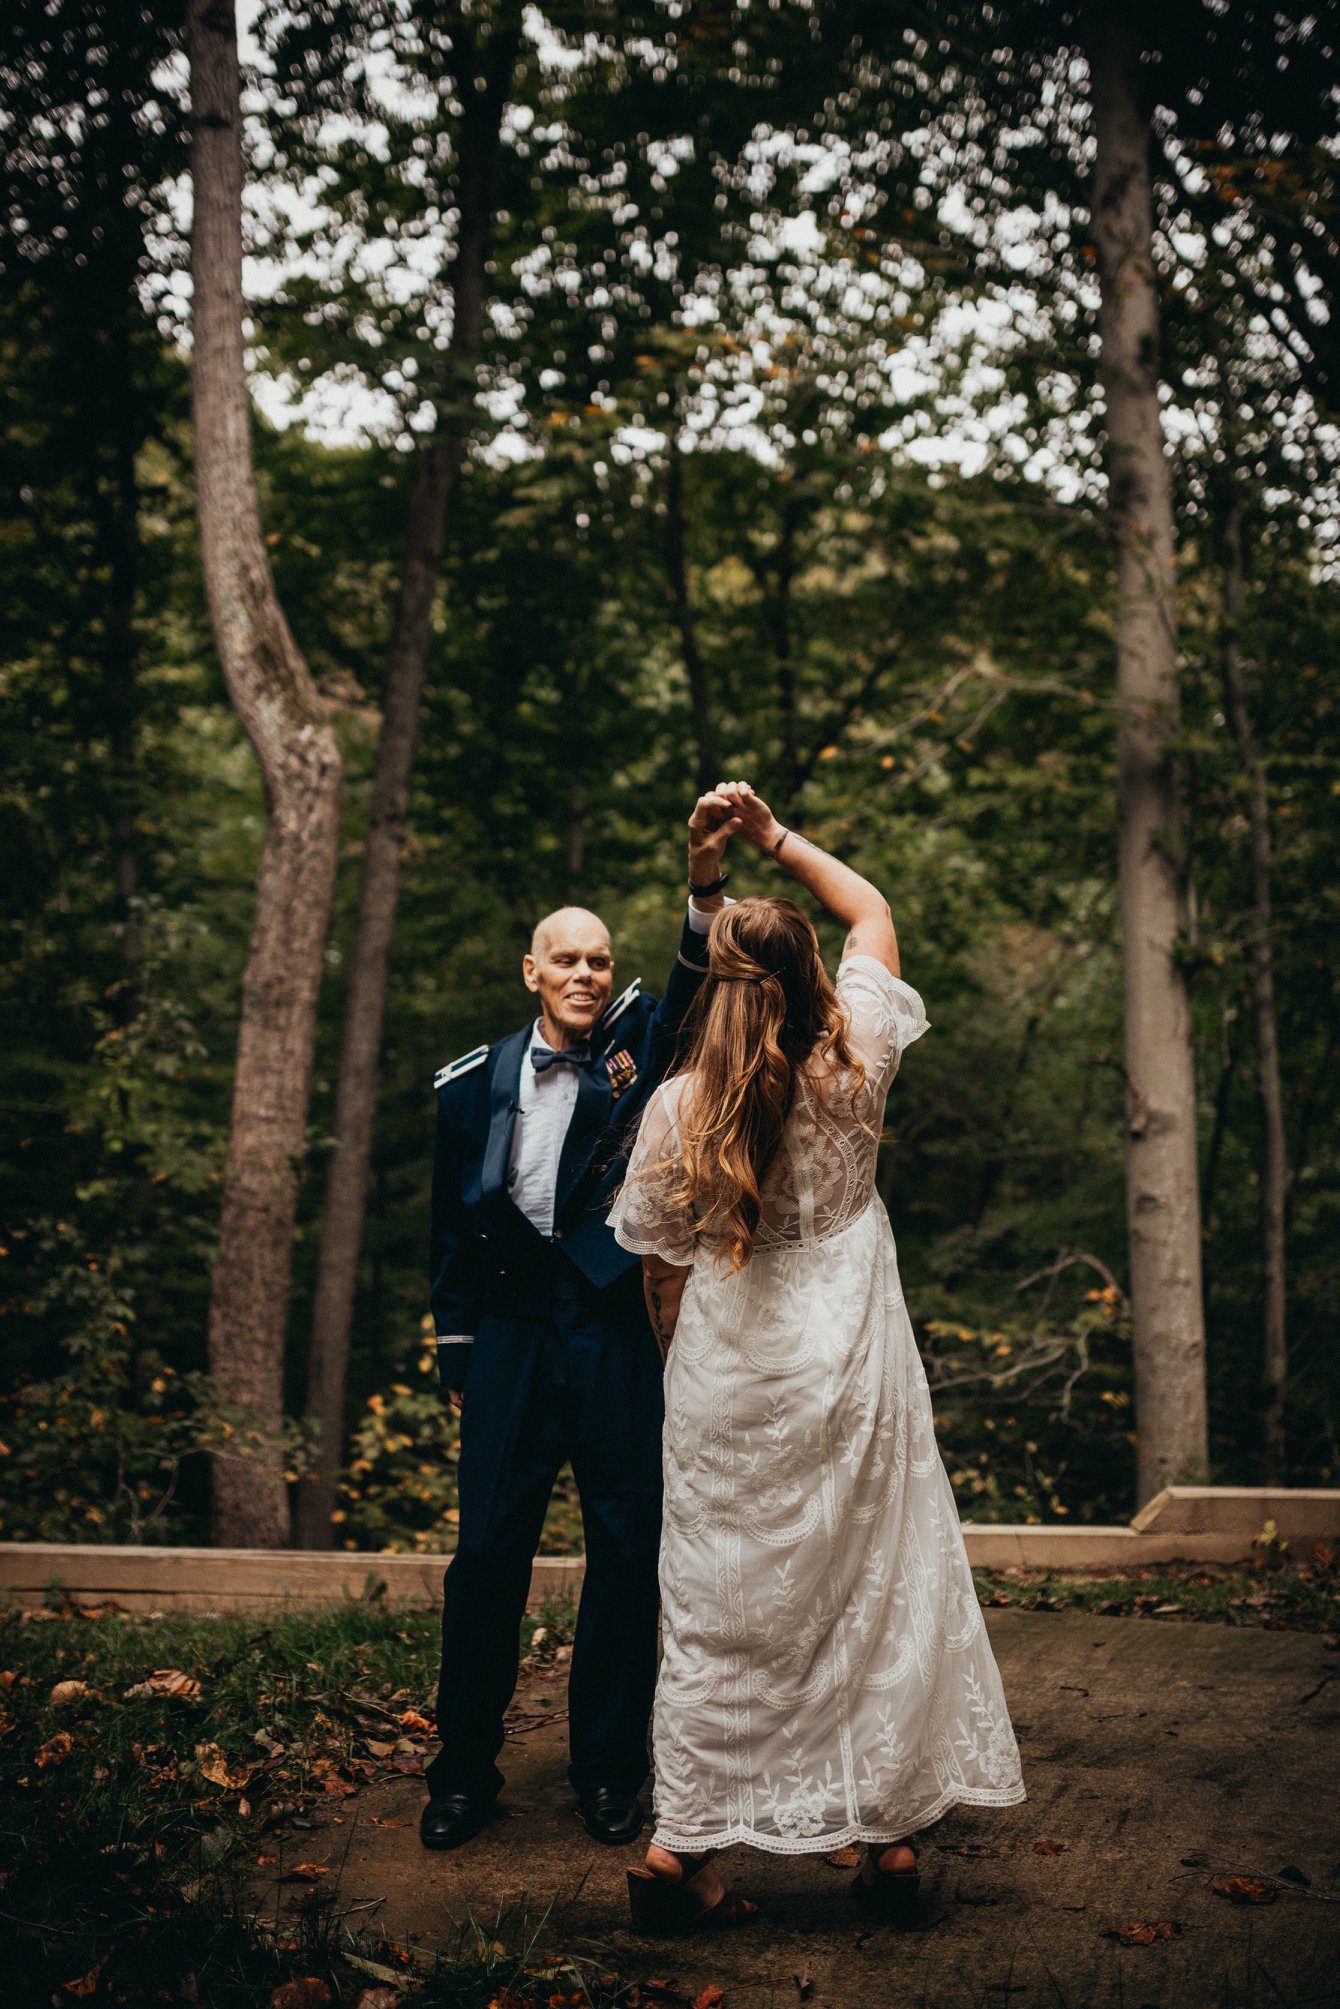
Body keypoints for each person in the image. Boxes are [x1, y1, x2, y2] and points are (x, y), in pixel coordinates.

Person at [609, 782, 1025, 1930]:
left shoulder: (677, 1109)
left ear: (718, 988)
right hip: (852, 1368)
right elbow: (872, 907)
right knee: (869, 1587)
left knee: (715, 1607)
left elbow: (658, 1266)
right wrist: (772, 839)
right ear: (808, 983)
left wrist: (679, 1360)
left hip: (724, 1376)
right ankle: (885, 1840)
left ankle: (678, 1847)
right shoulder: (859, 1065)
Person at [420, 788, 745, 1853]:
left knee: (625, 1549)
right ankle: (462, 1770)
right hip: (511, 1338)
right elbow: (446, 1229)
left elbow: (696, 984)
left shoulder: (637, 1051)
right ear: (532, 971)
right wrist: (456, 1343)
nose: (585, 974)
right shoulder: (468, 1087)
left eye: (599, 959)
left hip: (611, 1336)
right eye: (565, 959)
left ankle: (608, 1770)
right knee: (486, 1558)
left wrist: (702, 881)